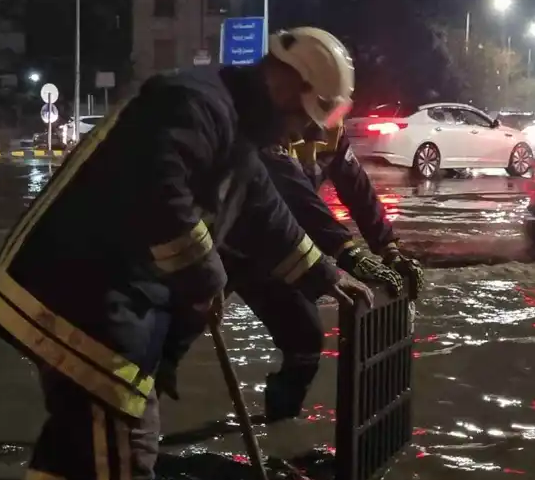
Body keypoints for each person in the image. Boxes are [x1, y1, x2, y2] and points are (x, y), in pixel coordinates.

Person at [0, 26, 375, 480]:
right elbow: (161, 191)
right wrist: (204, 279)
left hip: (96, 292)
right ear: (285, 82)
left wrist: (327, 276)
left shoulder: (233, 129)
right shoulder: (192, 103)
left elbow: (265, 218)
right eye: (309, 114)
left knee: (83, 414)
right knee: (125, 425)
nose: (306, 131)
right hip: (78, 292)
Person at [155, 120, 427, 422]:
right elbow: (298, 200)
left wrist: (387, 246)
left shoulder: (331, 134)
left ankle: (279, 426)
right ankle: (137, 412)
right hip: (227, 245)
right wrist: (348, 254)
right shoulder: (276, 126)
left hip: (282, 250)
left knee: (305, 339)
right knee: (170, 335)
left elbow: (357, 188)